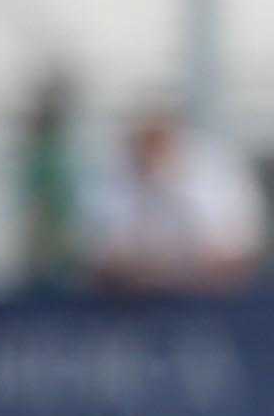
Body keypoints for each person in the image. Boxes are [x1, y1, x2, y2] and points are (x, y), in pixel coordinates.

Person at [82, 102, 262, 295]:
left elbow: (229, 253)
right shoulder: (112, 172)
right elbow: (106, 257)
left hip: (210, 301)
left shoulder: (215, 170)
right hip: (129, 303)